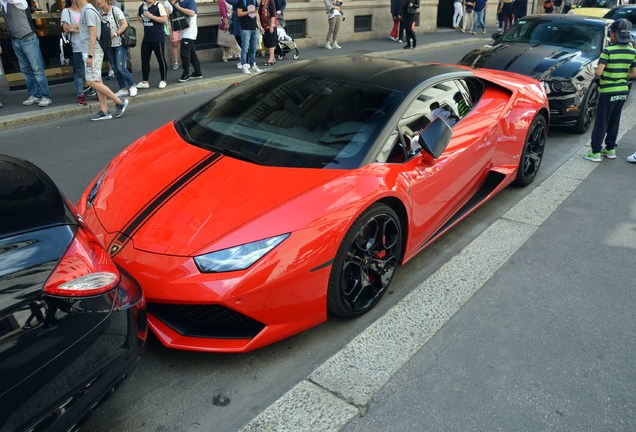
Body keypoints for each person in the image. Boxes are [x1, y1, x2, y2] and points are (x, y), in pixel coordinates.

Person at [584, 19, 636, 162]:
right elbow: (634, 73)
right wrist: (621, 75)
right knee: (614, 120)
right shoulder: (633, 52)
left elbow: (599, 73)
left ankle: (595, 151)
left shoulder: (608, 51)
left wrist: (596, 70)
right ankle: (610, 149)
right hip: (622, 92)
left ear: (613, 34)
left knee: (601, 121)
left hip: (608, 92)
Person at [77, 0, 128, 120]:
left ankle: (119, 102)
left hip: (92, 51)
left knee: (90, 81)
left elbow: (93, 33)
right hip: (92, 50)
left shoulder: (88, 10)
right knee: (97, 81)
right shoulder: (88, 10)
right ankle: (104, 111)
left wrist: (90, 55)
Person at [1, 0, 52, 107]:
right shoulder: (4, 4)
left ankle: (45, 96)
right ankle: (34, 94)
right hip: (16, 39)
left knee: (36, 68)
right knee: (25, 70)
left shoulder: (19, 0)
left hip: (28, 38)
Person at [98, 0, 137, 98]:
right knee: (115, 68)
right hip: (108, 44)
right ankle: (123, 88)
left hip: (119, 42)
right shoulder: (99, 13)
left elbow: (124, 24)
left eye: (99, 0)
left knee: (120, 67)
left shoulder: (115, 10)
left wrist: (116, 33)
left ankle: (132, 85)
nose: (97, 2)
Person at [137, 0, 168, 89]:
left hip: (158, 37)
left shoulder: (158, 5)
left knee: (161, 59)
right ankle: (145, 81)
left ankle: (163, 80)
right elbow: (138, 16)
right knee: (145, 60)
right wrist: (144, 21)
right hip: (147, 38)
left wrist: (151, 16)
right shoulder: (142, 6)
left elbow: (164, 19)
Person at [61, 0, 86, 105]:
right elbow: (66, 28)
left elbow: (92, 26)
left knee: (91, 71)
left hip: (89, 46)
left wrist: (74, 27)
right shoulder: (67, 11)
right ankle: (80, 94)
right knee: (79, 71)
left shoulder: (85, 10)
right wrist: (82, 27)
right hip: (77, 46)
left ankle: (94, 90)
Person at [171, 0, 202, 82]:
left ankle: (186, 74)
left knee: (184, 54)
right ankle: (198, 72)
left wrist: (178, 7)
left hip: (189, 32)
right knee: (192, 53)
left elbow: (192, 13)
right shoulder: (177, 2)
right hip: (182, 31)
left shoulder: (190, 1)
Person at [237, 0, 262, 74]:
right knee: (245, 48)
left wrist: (260, 26)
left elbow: (256, 13)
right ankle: (244, 65)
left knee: (253, 48)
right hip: (245, 28)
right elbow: (239, 13)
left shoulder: (254, 1)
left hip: (254, 27)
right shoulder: (242, 1)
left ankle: (253, 64)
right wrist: (249, 12)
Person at [162, 0, 180, 69]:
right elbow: (166, 17)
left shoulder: (179, 1)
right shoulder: (167, 3)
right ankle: (176, 62)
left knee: (184, 44)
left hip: (182, 24)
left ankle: (186, 61)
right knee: (174, 44)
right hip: (173, 26)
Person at [260, 0, 276, 65]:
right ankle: (273, 58)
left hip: (270, 25)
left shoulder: (270, 2)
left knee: (270, 42)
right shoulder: (261, 2)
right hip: (264, 25)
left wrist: (272, 25)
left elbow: (273, 15)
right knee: (268, 42)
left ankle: (271, 59)